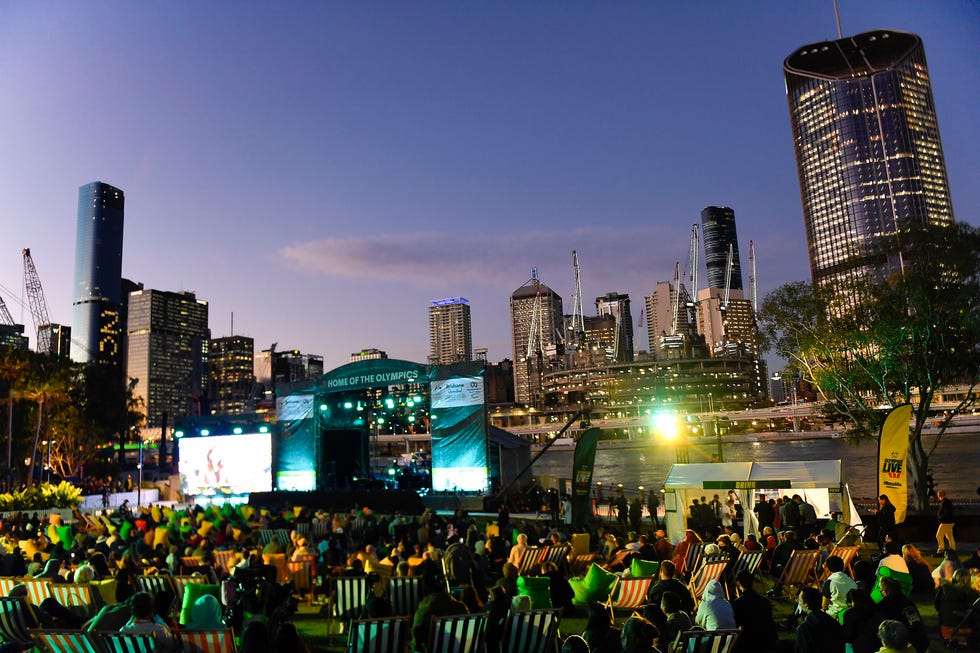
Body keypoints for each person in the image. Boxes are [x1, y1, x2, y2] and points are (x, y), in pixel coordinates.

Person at [730, 570, 779, 653]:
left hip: (749, 643)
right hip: (766, 640)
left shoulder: (738, 603)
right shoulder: (765, 601)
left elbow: (736, 624)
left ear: (738, 584)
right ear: (752, 582)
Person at [876, 577, 928, 653]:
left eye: (881, 590)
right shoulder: (908, 603)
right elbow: (917, 624)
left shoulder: (882, 606)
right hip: (918, 643)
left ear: (885, 591)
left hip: (898, 645)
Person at [935, 568, 979, 645]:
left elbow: (937, 606)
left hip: (943, 628)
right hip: (957, 629)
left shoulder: (944, 590)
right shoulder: (966, 594)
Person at [794, 586, 845, 653]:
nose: (798, 602)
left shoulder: (804, 629)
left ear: (806, 605)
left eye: (800, 600)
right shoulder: (833, 622)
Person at [840, 588, 882, 653]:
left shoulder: (850, 614)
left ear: (852, 601)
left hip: (863, 648)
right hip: (881, 645)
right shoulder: (876, 608)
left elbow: (847, 637)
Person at [820, 555, 857, 620]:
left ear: (829, 568)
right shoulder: (852, 582)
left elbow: (824, 606)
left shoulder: (829, 583)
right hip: (851, 612)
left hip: (835, 614)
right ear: (842, 566)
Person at [936, 489, 956, 554]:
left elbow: (946, 513)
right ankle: (952, 549)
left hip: (946, 522)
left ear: (939, 495)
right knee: (949, 536)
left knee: (939, 535)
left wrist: (940, 518)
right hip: (950, 522)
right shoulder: (947, 502)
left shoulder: (944, 502)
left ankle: (941, 549)